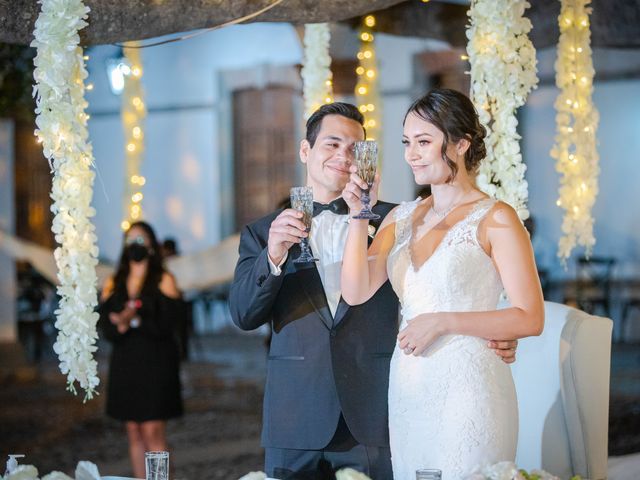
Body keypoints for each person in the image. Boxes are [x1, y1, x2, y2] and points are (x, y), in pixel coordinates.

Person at [229, 102, 518, 479]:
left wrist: (494, 332)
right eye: (332, 145)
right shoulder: (265, 232)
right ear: (305, 151)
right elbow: (243, 315)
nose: (343, 157)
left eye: (354, 148)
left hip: (374, 411)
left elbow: (443, 284)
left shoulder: (400, 219)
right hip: (295, 414)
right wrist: (272, 257)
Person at [340, 89, 544, 479]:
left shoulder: (496, 218)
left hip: (471, 387)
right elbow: (355, 290)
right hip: (410, 386)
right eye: (406, 143)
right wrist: (359, 216)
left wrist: (444, 321)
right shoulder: (399, 217)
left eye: (423, 142)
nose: (410, 154)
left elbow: (529, 317)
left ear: (461, 144)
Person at [98, 221, 184, 479]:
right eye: (130, 240)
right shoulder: (114, 282)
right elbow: (106, 326)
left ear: (151, 245)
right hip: (126, 362)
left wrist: (133, 319)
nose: (135, 245)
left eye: (140, 240)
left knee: (152, 432)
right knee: (134, 432)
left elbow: (171, 324)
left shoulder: (164, 279)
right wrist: (120, 324)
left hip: (156, 364)